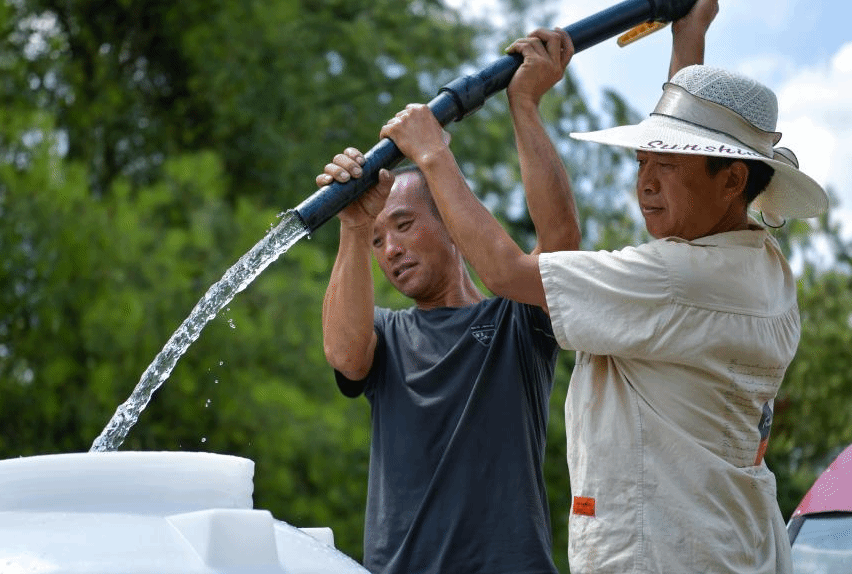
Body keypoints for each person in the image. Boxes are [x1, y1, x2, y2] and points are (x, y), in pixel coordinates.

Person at [356, 0, 830, 571]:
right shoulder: (756, 267)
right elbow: (694, 176)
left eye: (667, 168)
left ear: (732, 180)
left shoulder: (677, 280)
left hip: (669, 555)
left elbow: (506, 273)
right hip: (726, 544)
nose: (647, 185)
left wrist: (436, 152)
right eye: (641, 163)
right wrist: (689, 36)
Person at [316, 29, 579, 574]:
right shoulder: (384, 335)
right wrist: (352, 226)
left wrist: (522, 104)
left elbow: (559, 244)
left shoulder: (515, 321)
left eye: (404, 225)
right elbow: (345, 355)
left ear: (451, 226)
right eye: (379, 241)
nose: (389, 251)